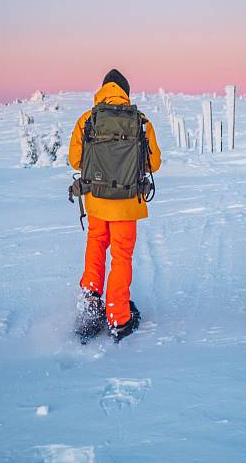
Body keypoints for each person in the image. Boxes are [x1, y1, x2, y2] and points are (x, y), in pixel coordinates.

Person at [68, 69, 161, 342]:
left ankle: (90, 306)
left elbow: (76, 160)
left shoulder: (88, 119)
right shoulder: (140, 121)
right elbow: (153, 163)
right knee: (121, 256)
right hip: (127, 202)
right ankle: (118, 317)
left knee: (96, 244)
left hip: (96, 200)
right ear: (125, 92)